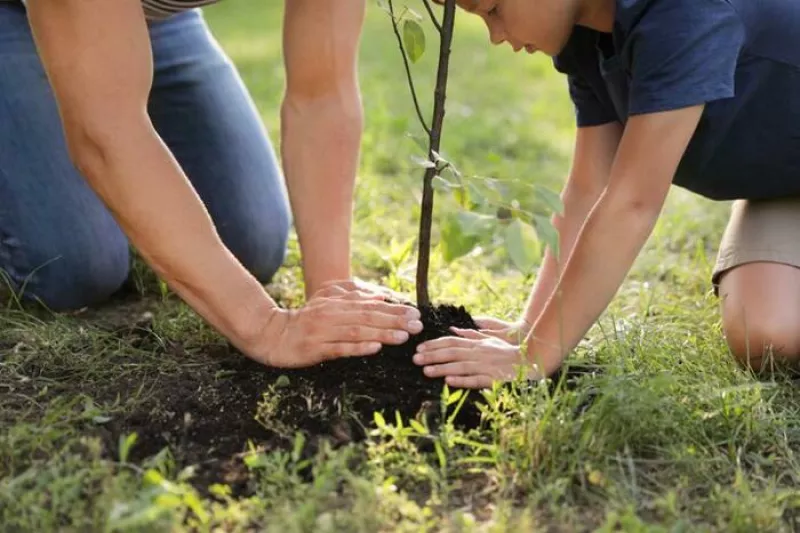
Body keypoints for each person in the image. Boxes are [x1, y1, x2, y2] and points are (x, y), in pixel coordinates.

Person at [0, 0, 424, 367]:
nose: (495, 34)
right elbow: (103, 136)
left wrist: (331, 292)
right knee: (73, 267)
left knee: (250, 242)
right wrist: (266, 328)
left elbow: (321, 93)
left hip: (161, 22)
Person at [413, 0, 800, 388]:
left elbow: (631, 204)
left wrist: (533, 358)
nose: (495, 35)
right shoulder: (587, 34)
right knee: (767, 337)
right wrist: (529, 333)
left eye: (493, 9)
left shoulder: (687, 10)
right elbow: (587, 189)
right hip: (782, 187)